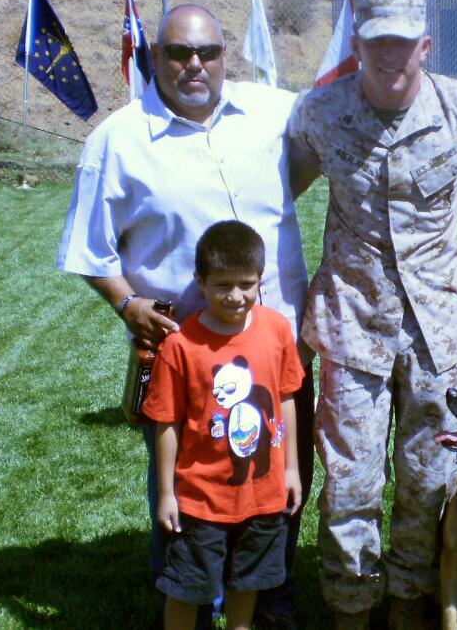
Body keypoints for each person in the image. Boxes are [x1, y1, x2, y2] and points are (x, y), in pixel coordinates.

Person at [286, 0, 457, 630]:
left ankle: (408, 605)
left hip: (437, 336)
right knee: (349, 486)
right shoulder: (321, 114)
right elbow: (271, 201)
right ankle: (350, 608)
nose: (390, 55)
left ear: (425, 44)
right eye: (377, 42)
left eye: (403, 42)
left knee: (429, 483)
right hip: (352, 329)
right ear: (357, 43)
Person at [55, 4, 312, 628]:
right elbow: (89, 249)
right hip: (183, 353)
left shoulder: (275, 113)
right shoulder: (116, 140)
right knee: (186, 476)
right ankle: (187, 596)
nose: (193, 65)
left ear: (227, 55)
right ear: (154, 58)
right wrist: (127, 302)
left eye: (207, 52)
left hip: (274, 343)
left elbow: (306, 167)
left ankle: (264, 599)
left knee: (271, 470)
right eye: (176, 53)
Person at [143, 220, 305, 630]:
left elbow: (286, 397)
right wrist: (167, 493)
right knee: (186, 585)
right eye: (222, 286)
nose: (235, 297)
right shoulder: (181, 346)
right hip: (200, 498)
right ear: (200, 281)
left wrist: (290, 469)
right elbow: (166, 422)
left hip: (263, 494)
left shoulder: (277, 329)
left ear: (260, 279)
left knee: (248, 578)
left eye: (246, 284)